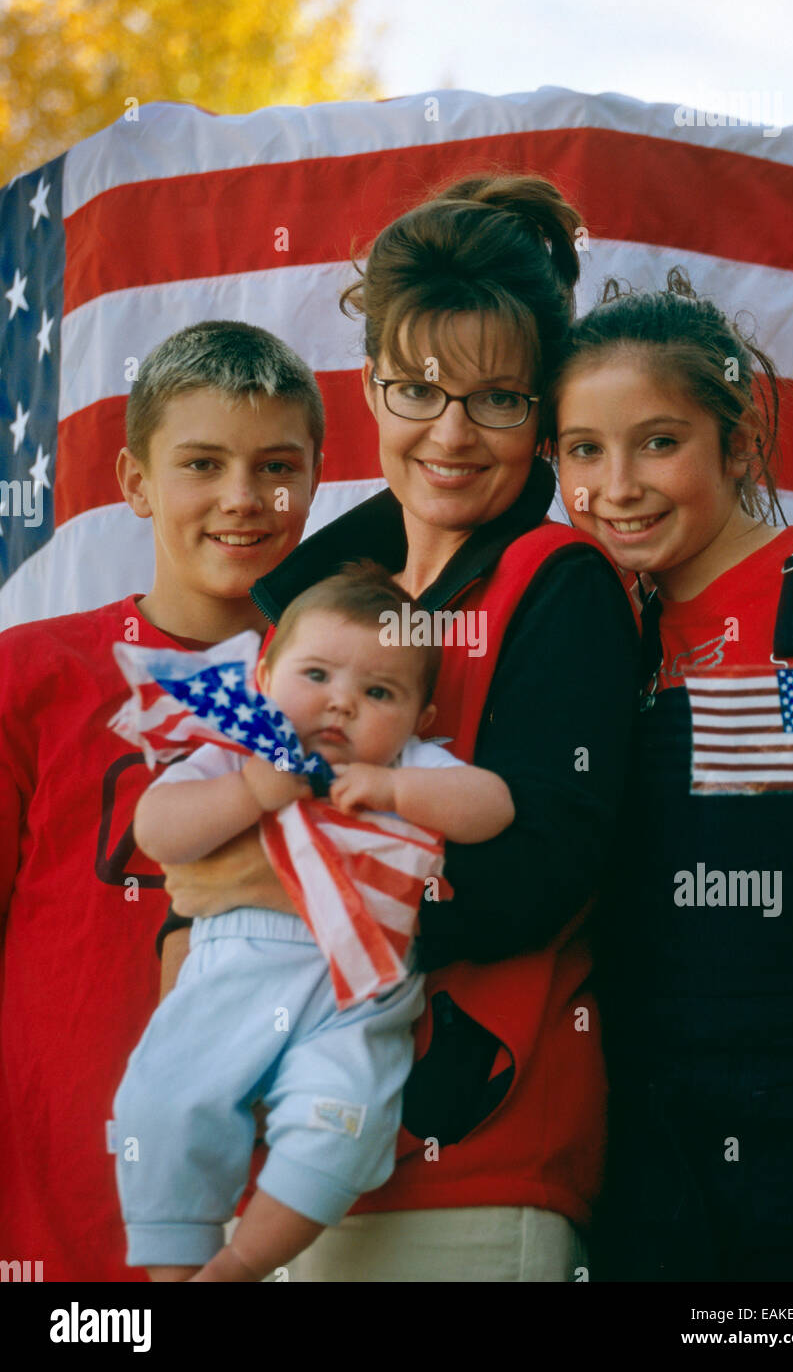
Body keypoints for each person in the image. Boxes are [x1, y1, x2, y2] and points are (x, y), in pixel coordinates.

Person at [155, 173, 640, 1282]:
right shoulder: (307, 598)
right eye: (415, 390)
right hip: (273, 1157)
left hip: (467, 1160)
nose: (451, 434)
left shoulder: (553, 582)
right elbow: (200, 836)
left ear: (542, 407)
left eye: (496, 399)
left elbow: (540, 868)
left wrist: (283, 898)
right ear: (367, 387)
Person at [552, 268, 793, 1282]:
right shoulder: (596, 638)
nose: (620, 484)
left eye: (658, 441)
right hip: (648, 1144)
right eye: (582, 451)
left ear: (734, 443)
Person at [0, 320, 323, 1281]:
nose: (240, 497)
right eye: (200, 464)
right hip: (57, 1193)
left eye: (275, 465)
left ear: (312, 480)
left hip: (281, 1196)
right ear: (136, 481)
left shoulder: (355, 685)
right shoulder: (33, 673)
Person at [113, 562, 515, 1282]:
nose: (343, 705)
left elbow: (493, 807)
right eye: (318, 675)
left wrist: (396, 786)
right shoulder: (236, 752)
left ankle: (241, 1262)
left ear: (421, 720)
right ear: (263, 678)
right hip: (236, 970)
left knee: (344, 1123)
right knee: (162, 1105)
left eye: (379, 692)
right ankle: (173, 1269)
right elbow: (157, 829)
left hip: (358, 993)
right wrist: (249, 792)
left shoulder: (410, 766)